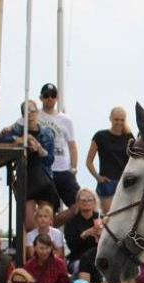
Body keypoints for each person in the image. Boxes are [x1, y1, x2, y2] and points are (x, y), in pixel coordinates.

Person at [1, 101, 59, 230]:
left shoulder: (47, 133)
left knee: (47, 220)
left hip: (43, 177)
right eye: (26, 112)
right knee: (29, 223)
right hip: (26, 178)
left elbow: (50, 160)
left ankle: (47, 246)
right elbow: (3, 140)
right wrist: (19, 139)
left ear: (37, 113)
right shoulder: (18, 130)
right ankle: (30, 247)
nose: (29, 114)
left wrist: (39, 148)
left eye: (32, 111)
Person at [37, 83, 81, 222]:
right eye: (46, 96)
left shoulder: (66, 120)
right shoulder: (35, 115)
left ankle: (50, 226)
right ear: (41, 98)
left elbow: (72, 145)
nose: (50, 99)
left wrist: (73, 167)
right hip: (43, 169)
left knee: (79, 205)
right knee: (46, 209)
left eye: (53, 96)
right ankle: (46, 226)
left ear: (57, 98)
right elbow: (17, 126)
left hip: (63, 168)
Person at [86, 106, 134, 214]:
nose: (119, 122)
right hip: (107, 183)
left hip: (124, 182)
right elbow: (89, 161)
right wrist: (97, 177)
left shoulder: (129, 137)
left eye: (122, 120)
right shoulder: (100, 136)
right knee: (109, 217)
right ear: (111, 119)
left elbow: (135, 159)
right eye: (116, 119)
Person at [63, 188, 102, 274]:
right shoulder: (71, 222)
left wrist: (102, 235)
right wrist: (85, 234)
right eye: (83, 199)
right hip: (78, 258)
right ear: (78, 202)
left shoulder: (101, 219)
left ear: (95, 202)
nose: (86, 201)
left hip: (99, 258)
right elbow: (71, 245)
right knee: (79, 266)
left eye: (89, 198)